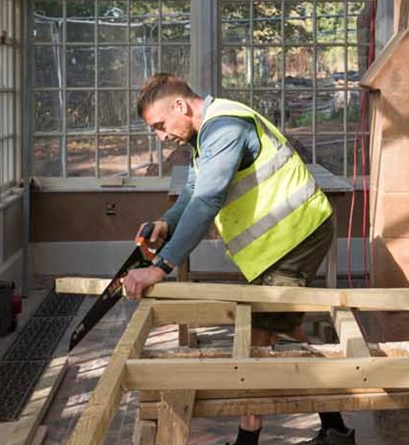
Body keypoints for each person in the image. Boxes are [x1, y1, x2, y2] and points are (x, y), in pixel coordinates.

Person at [119, 73, 350, 445]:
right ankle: (336, 431)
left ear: (180, 105)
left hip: (297, 234)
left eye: (160, 126)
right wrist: (165, 223)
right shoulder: (206, 134)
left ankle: (249, 438)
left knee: (259, 338)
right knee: (285, 330)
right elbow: (195, 191)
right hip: (280, 242)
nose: (160, 136)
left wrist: (160, 268)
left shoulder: (224, 128)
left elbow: (209, 202)